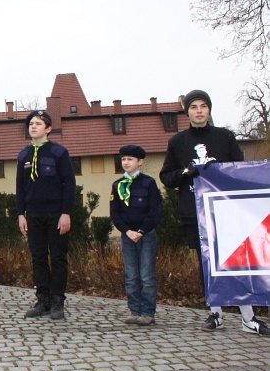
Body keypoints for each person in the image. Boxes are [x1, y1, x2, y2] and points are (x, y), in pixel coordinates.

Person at [160, 89, 270, 335]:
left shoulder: (225, 137)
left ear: (209, 110)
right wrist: (187, 173)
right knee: (207, 264)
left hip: (226, 212)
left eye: (203, 106)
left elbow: (241, 171)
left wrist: (218, 170)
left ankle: (248, 317)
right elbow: (166, 177)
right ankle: (216, 313)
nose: (199, 111)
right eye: (194, 107)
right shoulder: (177, 142)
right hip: (195, 212)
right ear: (187, 111)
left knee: (237, 261)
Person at [16, 110, 76, 320]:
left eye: (38, 123)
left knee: (58, 258)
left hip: (56, 214)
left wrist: (65, 213)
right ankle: (43, 300)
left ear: (48, 129)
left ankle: (57, 300)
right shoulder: (23, 155)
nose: (33, 127)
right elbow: (20, 187)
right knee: (38, 258)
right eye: (31, 123)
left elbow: (69, 184)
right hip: (32, 214)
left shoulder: (59, 153)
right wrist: (20, 214)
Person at [110, 145, 162, 326]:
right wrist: (127, 231)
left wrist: (141, 231)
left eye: (130, 159)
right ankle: (134, 310)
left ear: (140, 162)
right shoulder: (117, 185)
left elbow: (155, 211)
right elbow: (115, 213)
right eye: (123, 159)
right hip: (127, 235)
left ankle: (148, 312)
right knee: (131, 276)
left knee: (146, 275)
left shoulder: (148, 183)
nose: (126, 163)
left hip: (145, 235)